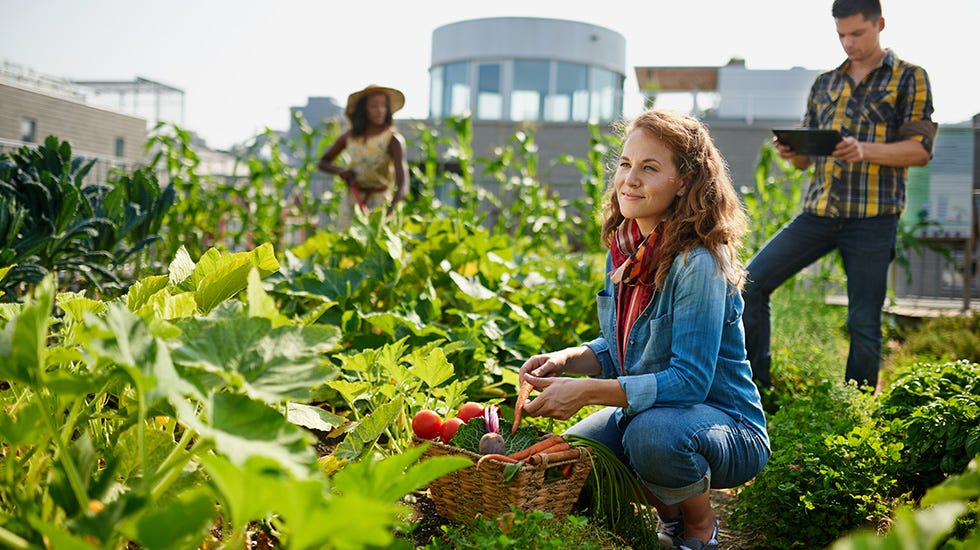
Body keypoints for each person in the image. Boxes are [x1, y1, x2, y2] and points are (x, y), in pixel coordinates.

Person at [518, 109, 770, 550]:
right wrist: (566, 360)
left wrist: (587, 391)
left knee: (650, 436)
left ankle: (697, 527)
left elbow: (689, 382)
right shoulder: (625, 251)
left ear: (685, 182)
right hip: (651, 413)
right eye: (625, 164)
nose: (630, 180)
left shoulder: (699, 263)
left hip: (726, 426)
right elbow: (621, 346)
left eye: (650, 168)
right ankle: (669, 507)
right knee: (577, 458)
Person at [742, 0, 936, 390]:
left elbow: (919, 150)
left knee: (863, 321)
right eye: (841, 35)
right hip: (818, 213)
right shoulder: (825, 83)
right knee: (748, 284)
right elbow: (803, 163)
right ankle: (756, 392)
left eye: (857, 33)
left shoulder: (909, 77)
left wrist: (865, 149)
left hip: (873, 218)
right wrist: (793, 152)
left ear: (879, 23)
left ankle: (857, 405)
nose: (848, 43)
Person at [318, 84, 409, 229]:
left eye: (383, 106)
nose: (380, 110)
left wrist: (389, 210)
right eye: (374, 106)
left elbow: (403, 186)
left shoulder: (393, 139)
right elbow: (323, 162)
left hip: (380, 203)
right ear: (363, 110)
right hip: (352, 200)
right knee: (345, 244)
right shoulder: (350, 137)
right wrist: (341, 172)